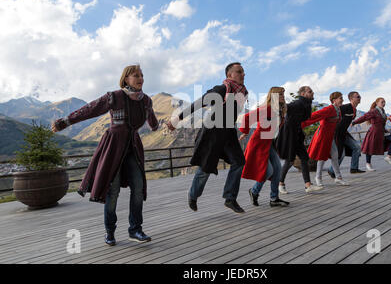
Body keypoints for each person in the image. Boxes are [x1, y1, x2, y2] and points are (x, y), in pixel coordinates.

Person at [52, 64, 159, 246]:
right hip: (113, 148)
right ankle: (110, 231)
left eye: (142, 75)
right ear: (126, 79)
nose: (140, 78)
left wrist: (158, 125)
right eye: (136, 75)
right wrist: (65, 122)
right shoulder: (114, 97)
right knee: (113, 191)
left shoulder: (146, 100)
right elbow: (89, 109)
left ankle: (135, 229)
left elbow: (152, 120)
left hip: (133, 147)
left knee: (139, 188)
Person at [167, 62, 248, 214]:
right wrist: (177, 118)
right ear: (230, 75)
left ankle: (230, 198)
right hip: (213, 133)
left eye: (243, 72)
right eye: (239, 72)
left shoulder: (242, 92)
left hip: (229, 132)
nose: (243, 74)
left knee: (239, 162)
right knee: (206, 167)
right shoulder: (222, 89)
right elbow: (198, 103)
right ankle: (193, 195)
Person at [239, 87, 289, 207]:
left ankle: (274, 198)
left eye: (283, 94)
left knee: (277, 169)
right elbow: (246, 118)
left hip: (269, 143)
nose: (283, 96)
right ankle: (254, 191)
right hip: (259, 143)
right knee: (268, 171)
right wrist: (245, 132)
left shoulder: (280, 110)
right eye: (280, 94)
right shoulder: (266, 109)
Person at [275, 86, 323, 194]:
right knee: (290, 160)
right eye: (310, 91)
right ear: (302, 94)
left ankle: (308, 185)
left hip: (296, 134)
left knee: (304, 158)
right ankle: (280, 183)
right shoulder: (298, 103)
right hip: (289, 136)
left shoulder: (307, 104)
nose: (312, 93)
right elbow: (287, 107)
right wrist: (278, 102)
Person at [302, 92, 350, 187]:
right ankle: (318, 178)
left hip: (330, 136)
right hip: (322, 136)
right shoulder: (329, 109)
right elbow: (315, 115)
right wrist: (300, 122)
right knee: (322, 156)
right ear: (334, 100)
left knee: (335, 155)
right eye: (340, 98)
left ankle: (338, 178)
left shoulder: (338, 110)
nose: (342, 100)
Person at [351, 97, 391, 171]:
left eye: (384, 102)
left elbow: (381, 120)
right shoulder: (374, 111)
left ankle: (388, 157)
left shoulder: (382, 111)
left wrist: (387, 118)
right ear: (377, 103)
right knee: (370, 148)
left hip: (383, 131)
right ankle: (368, 164)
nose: (384, 103)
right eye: (382, 102)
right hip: (374, 132)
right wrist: (354, 122)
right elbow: (364, 117)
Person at [327, 91, 365, 178]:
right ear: (352, 99)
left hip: (344, 133)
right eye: (358, 96)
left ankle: (354, 168)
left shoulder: (354, 110)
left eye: (359, 96)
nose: (360, 98)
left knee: (357, 147)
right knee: (341, 153)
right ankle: (331, 170)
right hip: (336, 134)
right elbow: (334, 112)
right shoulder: (345, 107)